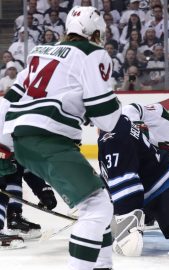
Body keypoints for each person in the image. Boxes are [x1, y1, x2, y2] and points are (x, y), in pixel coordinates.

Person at [1, 6, 121, 270]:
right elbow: (107, 120)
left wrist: (2, 142)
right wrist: (110, 106)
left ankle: (102, 265)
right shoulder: (93, 53)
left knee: (99, 200)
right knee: (96, 206)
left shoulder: (39, 52)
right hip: (50, 139)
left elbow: (9, 100)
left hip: (22, 138)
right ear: (96, 32)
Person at [98, 114, 169, 257]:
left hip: (166, 186)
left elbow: (123, 179)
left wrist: (124, 218)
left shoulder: (112, 138)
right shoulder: (121, 124)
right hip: (151, 189)